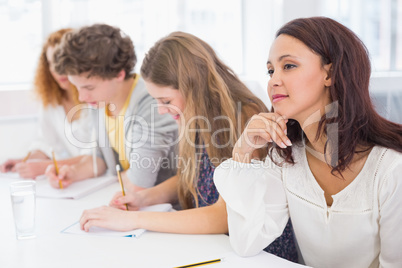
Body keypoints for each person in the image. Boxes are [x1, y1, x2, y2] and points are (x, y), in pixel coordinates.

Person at [79, 31, 298, 262]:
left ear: (194, 87)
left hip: (257, 255)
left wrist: (133, 220)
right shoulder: (193, 116)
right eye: (156, 101)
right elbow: (193, 177)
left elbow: (224, 215)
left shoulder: (246, 118)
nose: (161, 110)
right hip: (211, 244)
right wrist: (144, 199)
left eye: (166, 101)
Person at [213, 16, 402, 267]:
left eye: (288, 66)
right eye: (270, 70)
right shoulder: (285, 157)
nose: (273, 80)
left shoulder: (390, 169)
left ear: (330, 73)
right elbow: (246, 243)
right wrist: (242, 151)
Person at [46, 24, 178, 190]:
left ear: (119, 74)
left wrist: (115, 177)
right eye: (77, 87)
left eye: (89, 88)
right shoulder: (101, 102)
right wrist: (73, 172)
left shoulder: (152, 102)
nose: (82, 97)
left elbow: (140, 181)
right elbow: (100, 158)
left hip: (168, 207)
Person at [0, 28, 92, 179]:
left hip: (100, 180)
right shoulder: (51, 101)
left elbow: (97, 158)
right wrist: (26, 161)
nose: (58, 70)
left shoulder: (94, 97)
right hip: (74, 180)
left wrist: (44, 167)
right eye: (52, 63)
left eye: (64, 62)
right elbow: (46, 143)